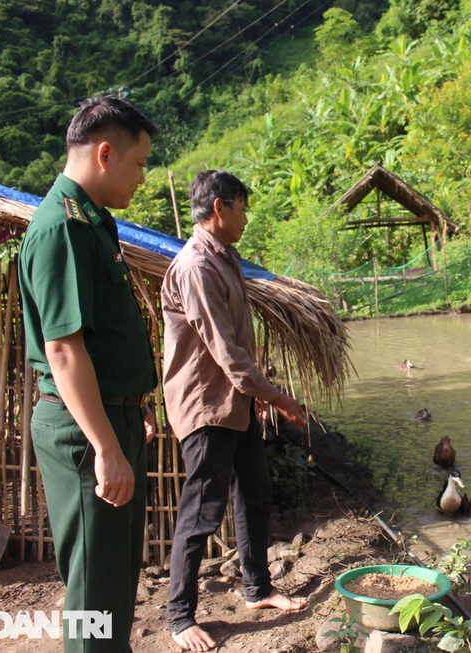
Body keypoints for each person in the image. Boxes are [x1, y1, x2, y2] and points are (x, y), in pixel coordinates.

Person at [17, 95, 158, 653]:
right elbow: (64, 350)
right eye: (140, 164)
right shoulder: (62, 228)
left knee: (116, 581)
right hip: (84, 434)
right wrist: (105, 445)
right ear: (105, 153)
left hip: (108, 420)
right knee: (93, 595)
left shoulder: (94, 224)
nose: (143, 178)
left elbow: (101, 342)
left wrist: (128, 413)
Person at [162, 170, 309, 651]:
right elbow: (225, 352)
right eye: (242, 208)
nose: (246, 217)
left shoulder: (225, 258)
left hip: (235, 401)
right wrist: (278, 398)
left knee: (255, 494)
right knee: (202, 511)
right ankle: (180, 618)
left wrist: (257, 395)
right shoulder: (197, 266)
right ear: (220, 208)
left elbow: (238, 348)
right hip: (206, 405)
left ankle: (258, 588)